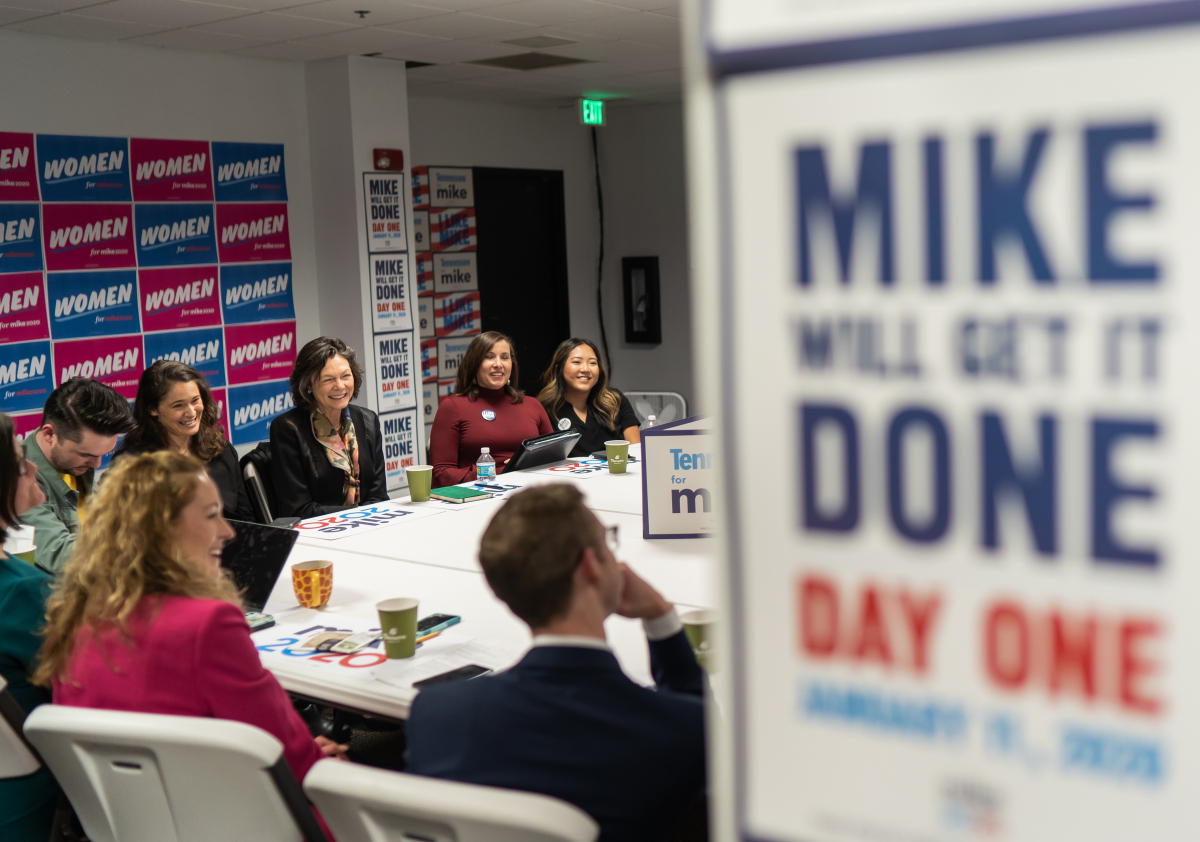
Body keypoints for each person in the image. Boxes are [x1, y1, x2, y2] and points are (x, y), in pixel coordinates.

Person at [33, 451, 348, 796]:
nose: (227, 531)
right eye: (212, 515)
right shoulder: (209, 624)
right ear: (163, 529)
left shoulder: (74, 616)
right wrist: (323, 767)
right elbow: (283, 748)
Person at [405, 485, 706, 841]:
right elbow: (707, 735)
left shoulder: (433, 715)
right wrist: (662, 618)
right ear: (591, 564)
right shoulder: (673, 729)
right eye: (607, 541)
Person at [0, 413, 59, 842]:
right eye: (22, 462)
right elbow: (95, 693)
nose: (35, 467)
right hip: (33, 804)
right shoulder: (24, 593)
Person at [113, 360, 255, 522]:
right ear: (153, 409)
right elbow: (127, 533)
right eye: (178, 406)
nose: (190, 412)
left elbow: (247, 520)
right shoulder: (130, 463)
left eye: (195, 400)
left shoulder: (221, 449)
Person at [22, 378, 134, 574]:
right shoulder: (16, 478)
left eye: (104, 454)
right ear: (49, 434)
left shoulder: (78, 465)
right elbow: (62, 554)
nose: (97, 464)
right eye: (86, 454)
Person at [270, 336, 387, 518]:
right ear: (308, 384)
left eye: (345, 376)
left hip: (367, 527)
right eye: (328, 379)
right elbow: (299, 509)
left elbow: (378, 496)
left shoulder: (367, 420)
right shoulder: (287, 428)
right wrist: (359, 515)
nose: (339, 386)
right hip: (319, 534)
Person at [429, 331, 553, 487]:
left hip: (532, 494)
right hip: (478, 498)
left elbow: (554, 459)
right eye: (489, 357)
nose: (498, 364)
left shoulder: (532, 405)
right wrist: (504, 471)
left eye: (505, 357)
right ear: (474, 364)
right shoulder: (453, 407)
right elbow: (440, 475)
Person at [538, 338, 641, 458]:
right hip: (572, 476)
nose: (585, 369)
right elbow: (552, 460)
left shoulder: (616, 400)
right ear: (558, 369)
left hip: (617, 473)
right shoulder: (544, 410)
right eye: (577, 362)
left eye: (592, 363)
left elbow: (635, 451)